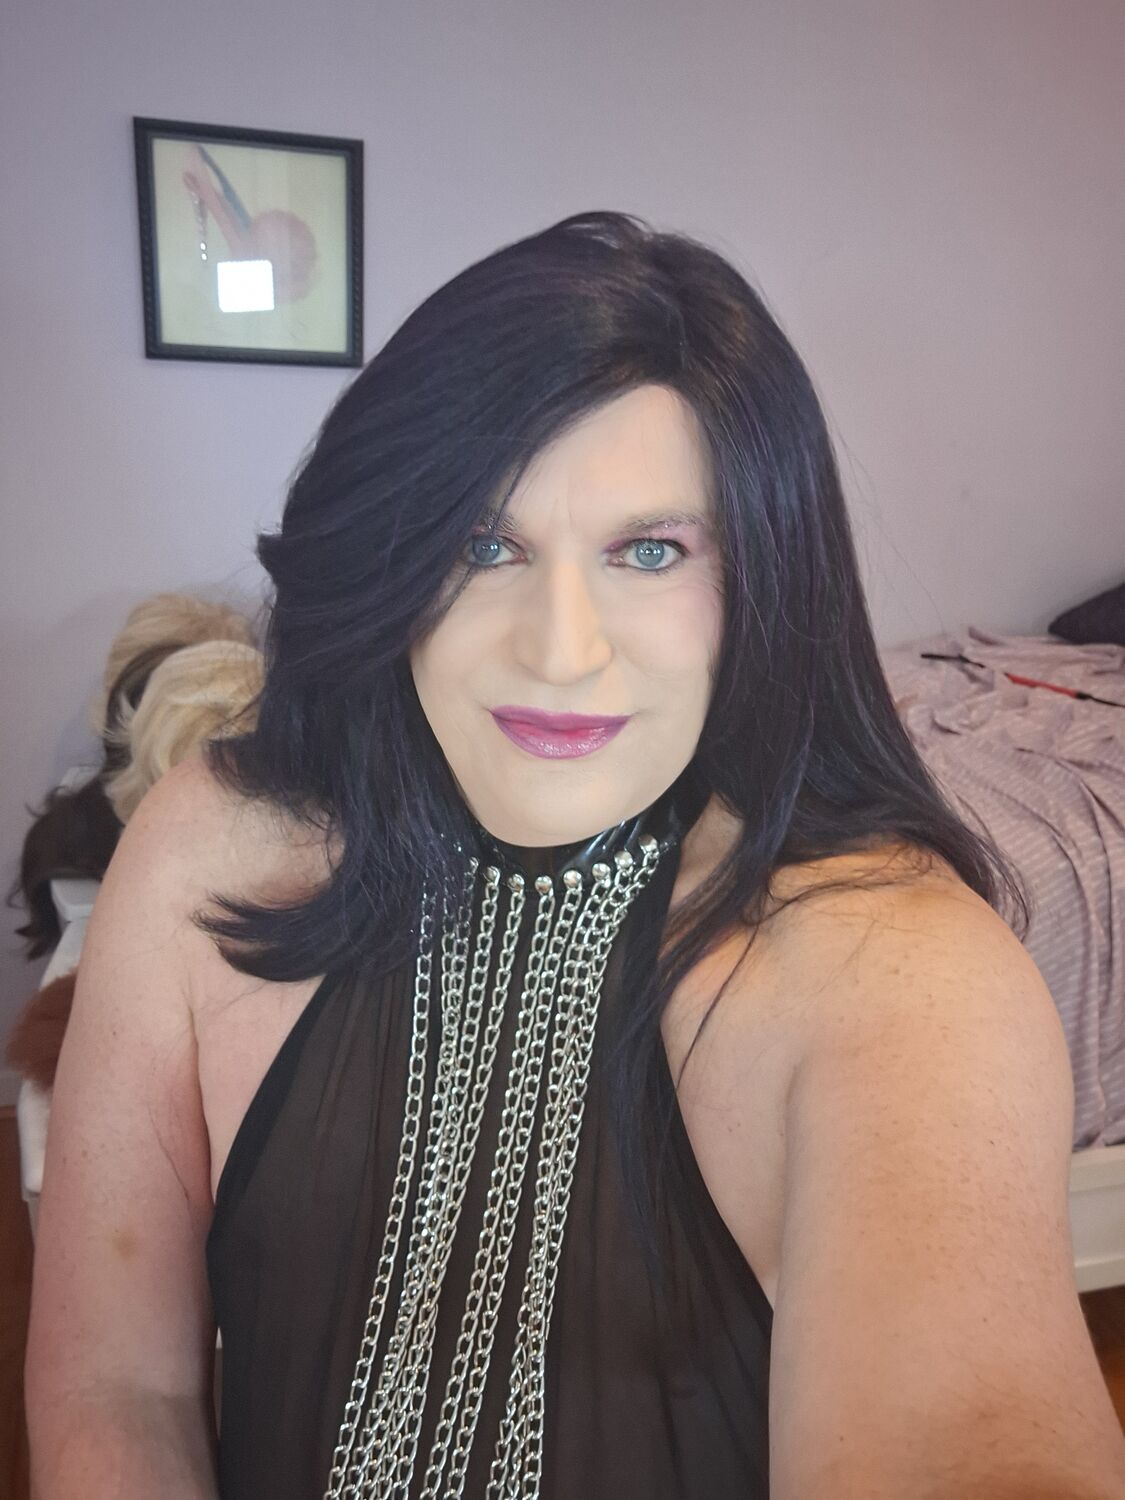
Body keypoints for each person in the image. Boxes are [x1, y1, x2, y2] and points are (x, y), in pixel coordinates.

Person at [24, 211, 1125, 1499]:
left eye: (649, 551)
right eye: (484, 545)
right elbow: (120, 1389)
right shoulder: (206, 844)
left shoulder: (894, 966)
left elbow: (975, 1434)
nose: (559, 652)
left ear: (767, 578)